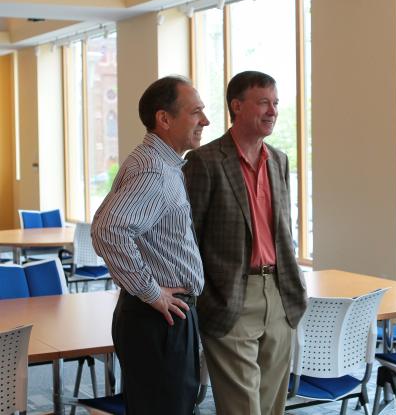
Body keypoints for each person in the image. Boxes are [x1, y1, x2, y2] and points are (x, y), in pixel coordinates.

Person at [182, 70, 307, 415]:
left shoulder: (278, 161)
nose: (273, 111)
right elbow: (187, 237)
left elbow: (283, 232)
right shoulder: (204, 162)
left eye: (276, 103)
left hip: (279, 296)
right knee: (243, 408)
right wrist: (203, 297)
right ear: (236, 106)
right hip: (230, 297)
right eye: (263, 102)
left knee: (271, 407)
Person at [91, 75, 209, 414]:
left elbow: (102, 223)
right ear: (165, 119)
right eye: (196, 112)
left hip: (158, 316)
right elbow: (109, 231)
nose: (205, 121)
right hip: (158, 318)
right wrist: (151, 291)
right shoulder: (154, 171)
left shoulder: (154, 163)